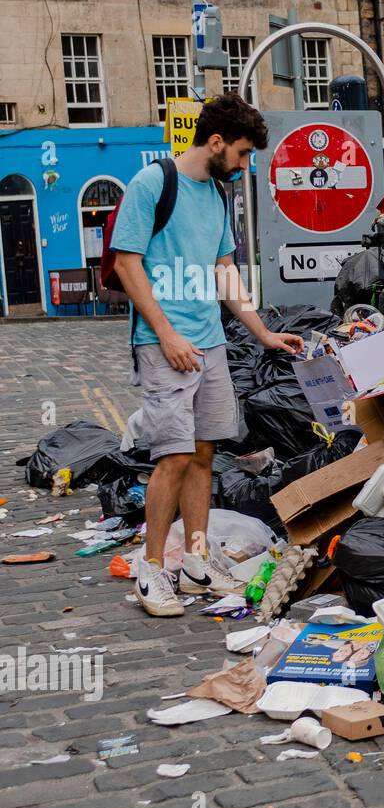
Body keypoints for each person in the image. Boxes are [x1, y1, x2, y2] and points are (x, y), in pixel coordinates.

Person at [111, 93, 304, 618]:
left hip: (210, 342)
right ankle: (151, 570)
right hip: (163, 344)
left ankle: (196, 560)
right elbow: (127, 264)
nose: (244, 166)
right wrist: (167, 333)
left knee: (203, 455)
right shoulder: (153, 184)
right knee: (172, 456)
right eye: (242, 154)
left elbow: (225, 271)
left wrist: (262, 332)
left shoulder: (218, 196)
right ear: (215, 142)